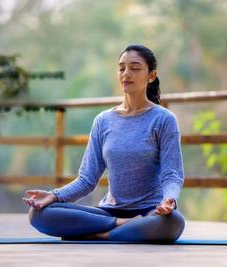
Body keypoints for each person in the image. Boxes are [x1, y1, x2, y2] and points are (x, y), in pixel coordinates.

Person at [23, 44, 185, 242]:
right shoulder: (103, 120)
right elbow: (86, 180)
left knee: (173, 222)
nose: (126, 74)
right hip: (110, 212)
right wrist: (54, 196)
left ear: (151, 76)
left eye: (135, 68)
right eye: (121, 68)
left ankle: (98, 234)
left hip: (150, 213)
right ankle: (120, 227)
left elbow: (172, 175)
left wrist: (170, 199)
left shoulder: (163, 119)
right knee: (40, 214)